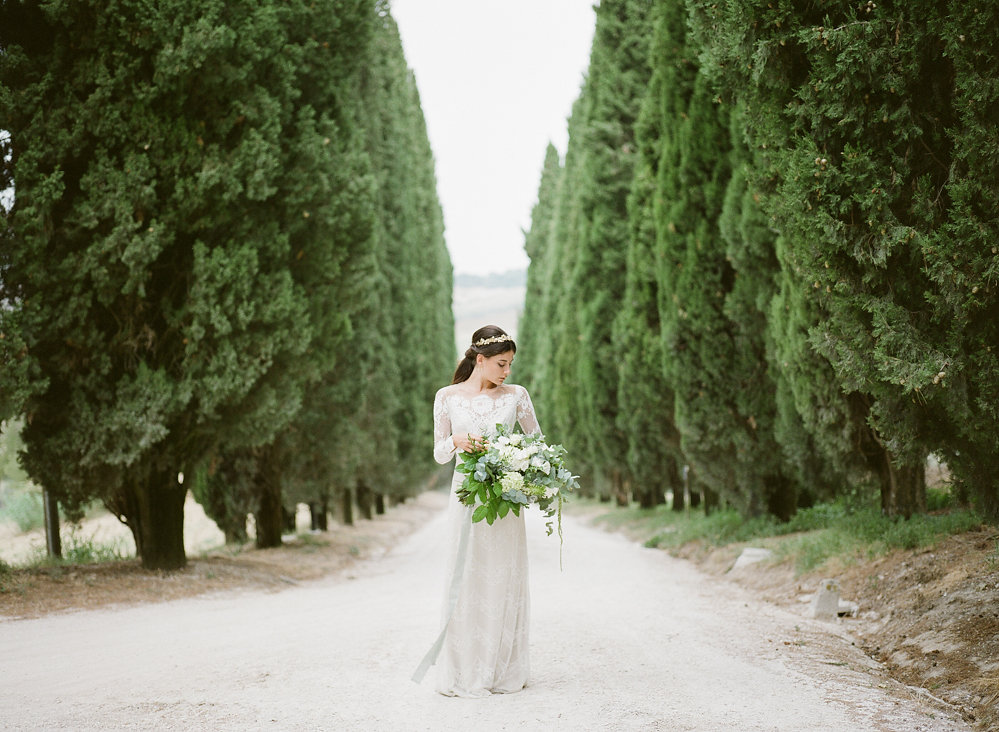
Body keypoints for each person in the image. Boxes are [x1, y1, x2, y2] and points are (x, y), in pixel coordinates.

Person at [412, 325, 542, 697]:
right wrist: (455, 440)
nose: (507, 372)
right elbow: (439, 454)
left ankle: (501, 667)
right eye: (501, 364)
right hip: (466, 496)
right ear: (480, 360)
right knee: (466, 573)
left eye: (511, 365)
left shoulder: (516, 396)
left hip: (504, 501)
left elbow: (537, 444)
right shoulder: (447, 397)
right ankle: (465, 668)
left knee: (504, 574)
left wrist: (520, 464)